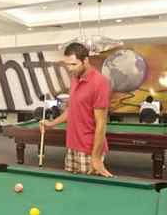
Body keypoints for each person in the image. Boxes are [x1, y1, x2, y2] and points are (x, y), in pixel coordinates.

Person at [40, 43, 113, 177]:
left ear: (85, 60)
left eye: (74, 64)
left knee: (88, 187)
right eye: (67, 64)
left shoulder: (100, 82)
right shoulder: (75, 78)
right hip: (72, 144)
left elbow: (101, 124)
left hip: (88, 148)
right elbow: (71, 109)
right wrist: (51, 124)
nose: (70, 68)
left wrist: (96, 157)